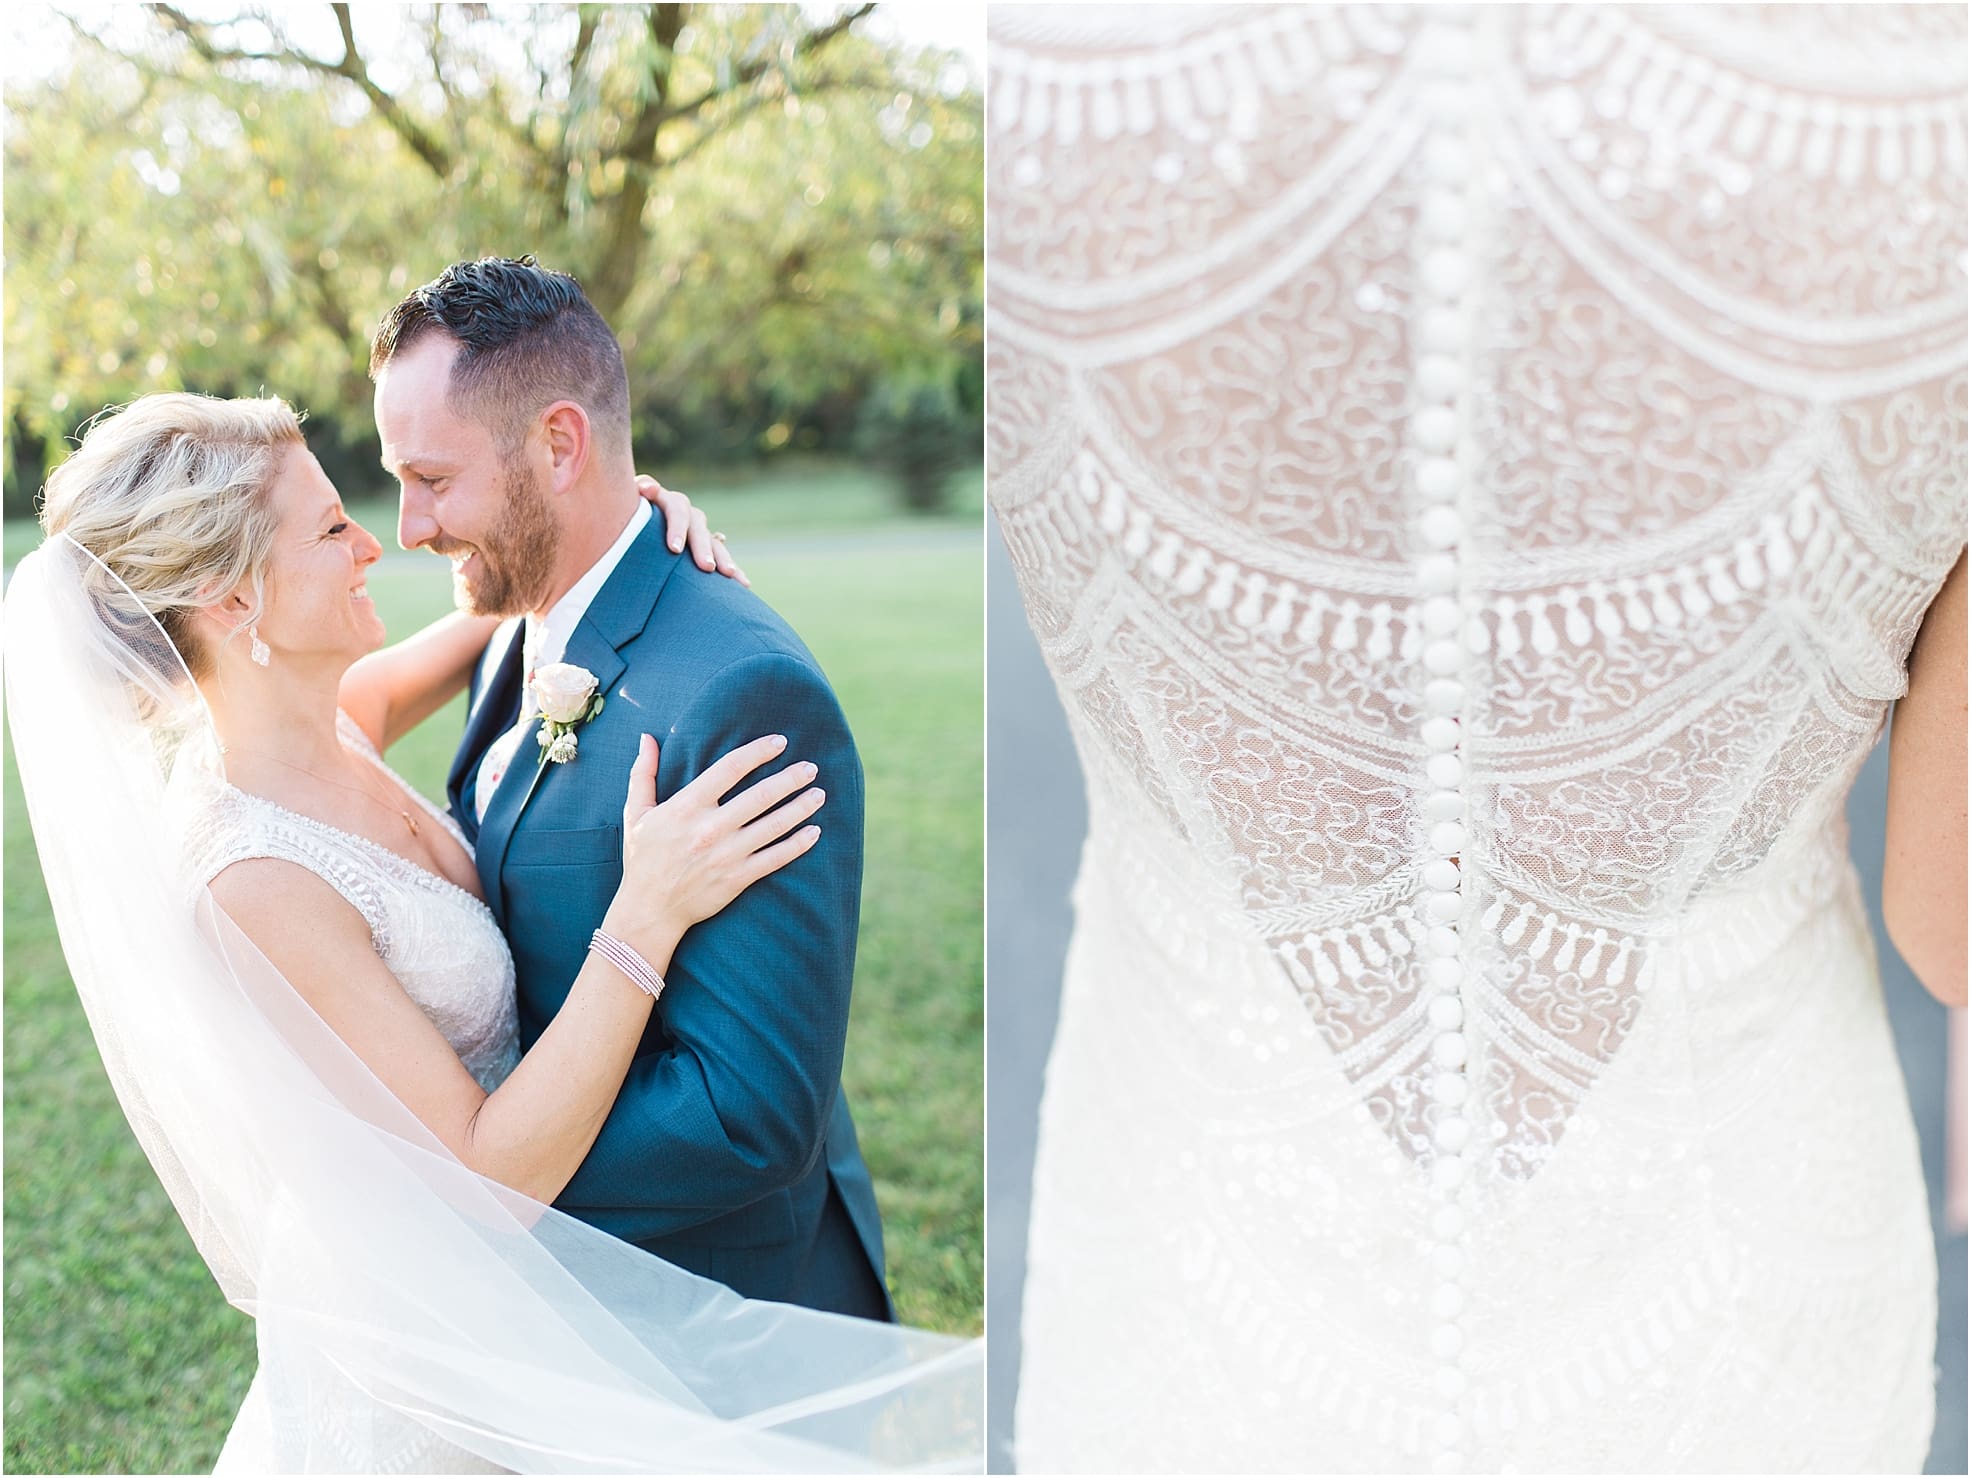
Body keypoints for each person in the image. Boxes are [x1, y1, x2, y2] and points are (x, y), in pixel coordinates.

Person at [985, 2, 1965, 1472]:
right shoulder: (1917, 77)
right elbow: (1950, 915)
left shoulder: (1029, 63)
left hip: (1180, 1236)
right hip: (1744, 1270)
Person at [7, 390, 977, 1466]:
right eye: (331, 529)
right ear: (233, 599)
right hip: (441, 1341)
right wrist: (646, 912)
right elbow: (485, 1176)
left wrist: (622, 520)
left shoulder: (328, 720)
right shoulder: (252, 878)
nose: (375, 544)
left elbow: (511, 607)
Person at [369, 256, 892, 1320]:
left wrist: (486, 1188)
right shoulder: (517, 619)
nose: (409, 528)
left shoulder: (741, 691)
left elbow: (745, 1108)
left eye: (432, 479)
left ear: (560, 444)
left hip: (713, 1319)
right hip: (574, 1310)